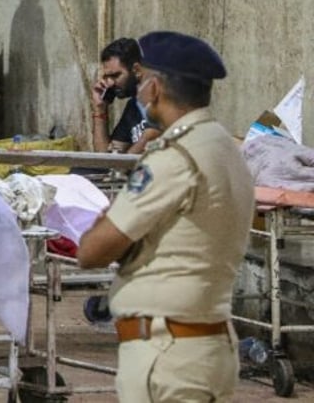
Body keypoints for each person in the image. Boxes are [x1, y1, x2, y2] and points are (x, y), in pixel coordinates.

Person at [76, 31, 254, 402]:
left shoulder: (173, 158)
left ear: (155, 88)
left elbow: (92, 252)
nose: (138, 92)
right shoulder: (224, 146)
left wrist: (107, 218)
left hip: (169, 354)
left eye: (141, 82)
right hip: (205, 344)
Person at [91, 37, 160, 153]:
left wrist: (119, 168)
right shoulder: (132, 107)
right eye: (107, 77)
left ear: (136, 70)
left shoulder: (160, 95)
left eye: (115, 76)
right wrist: (99, 109)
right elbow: (103, 156)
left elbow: (151, 135)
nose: (110, 82)